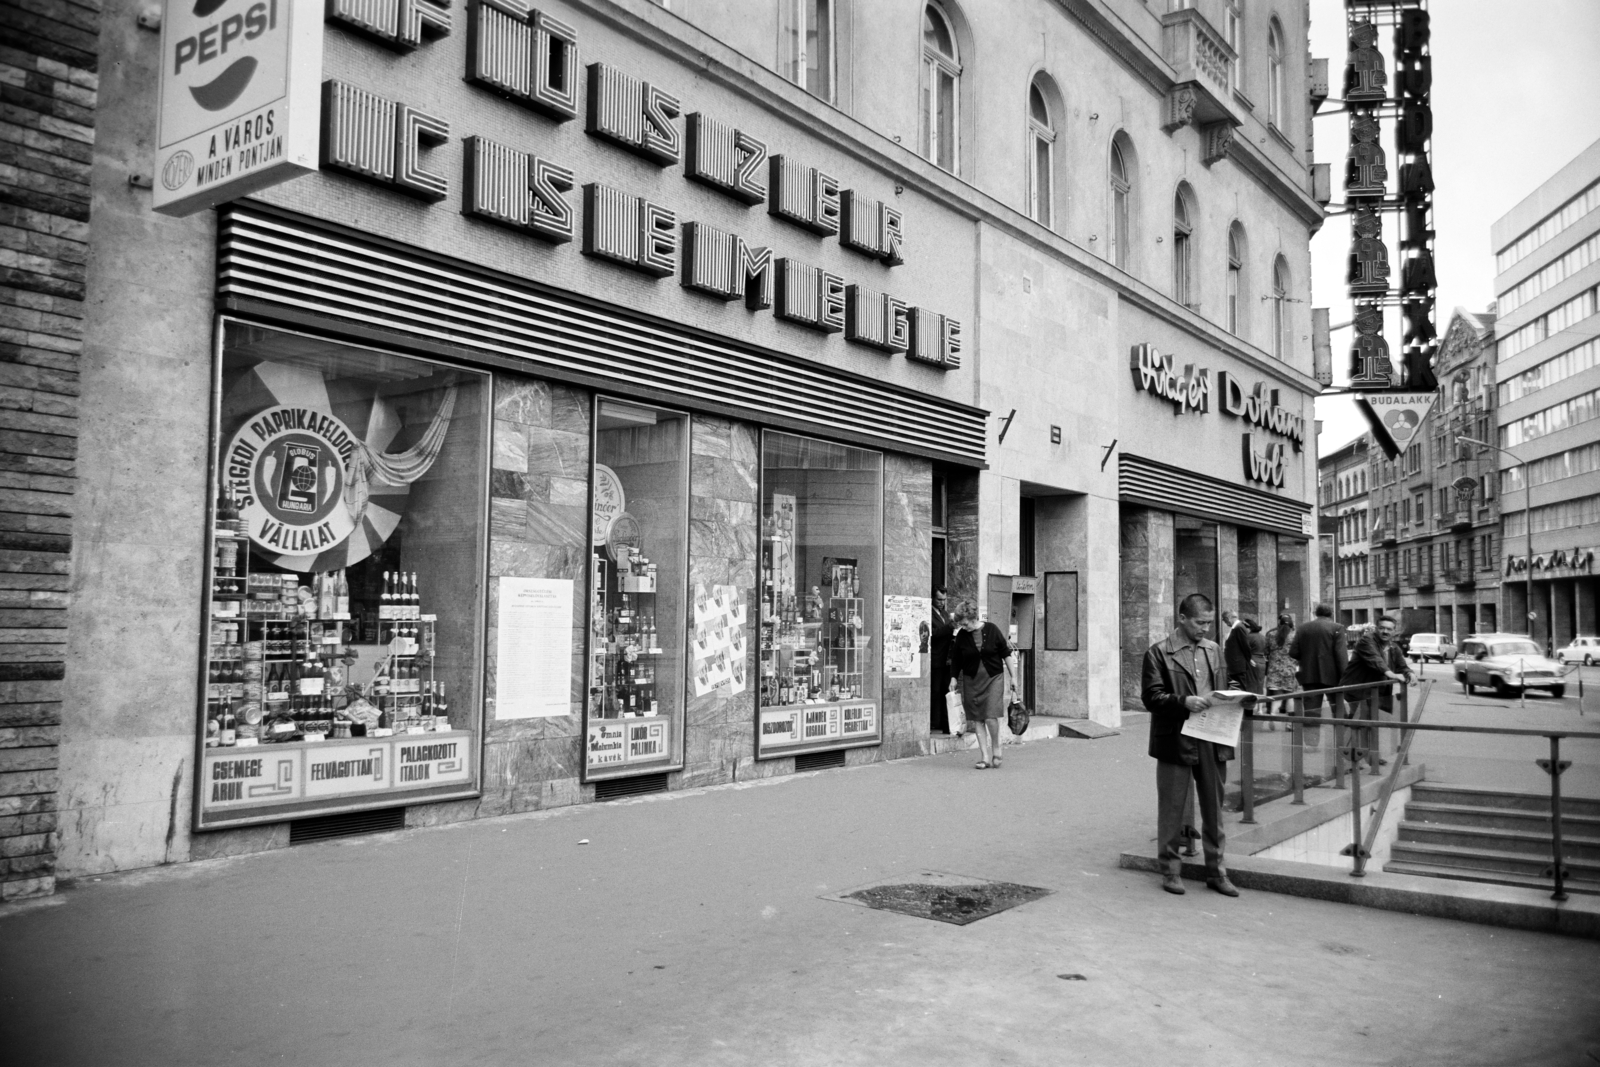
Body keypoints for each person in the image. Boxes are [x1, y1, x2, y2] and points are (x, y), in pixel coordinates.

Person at [1141, 592, 1239, 897]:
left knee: (1214, 807)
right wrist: (1184, 702)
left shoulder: (1214, 650)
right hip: (1176, 737)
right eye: (1200, 622)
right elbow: (1151, 697)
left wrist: (1238, 696)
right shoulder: (1158, 653)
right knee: (1171, 807)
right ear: (1181, 619)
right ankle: (1170, 870)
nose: (1205, 628)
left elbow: (1226, 684)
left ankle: (1216, 872)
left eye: (1209, 623)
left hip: (1212, 735)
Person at [1340, 615, 1412, 771]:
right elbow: (1374, 659)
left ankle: (1370, 756)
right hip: (1357, 689)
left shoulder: (1393, 647)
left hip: (1375, 692)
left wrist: (1410, 673)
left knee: (1372, 724)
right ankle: (1347, 762)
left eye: (1389, 629)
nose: (1385, 632)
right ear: (1376, 629)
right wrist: (1391, 674)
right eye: (1382, 628)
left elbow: (1402, 666)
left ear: (1394, 631)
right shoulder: (1367, 641)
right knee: (1357, 725)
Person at [947, 601, 1013, 769]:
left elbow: (1006, 653)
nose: (963, 626)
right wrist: (954, 678)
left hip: (993, 678)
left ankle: (996, 746)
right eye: (961, 623)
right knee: (977, 718)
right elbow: (956, 659)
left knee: (990, 716)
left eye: (965, 623)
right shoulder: (962, 635)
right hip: (972, 680)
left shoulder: (992, 629)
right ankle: (984, 756)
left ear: (973, 618)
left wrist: (1014, 678)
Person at [1287, 603, 1348, 748]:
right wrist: (1345, 676)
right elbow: (1341, 655)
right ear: (1331, 613)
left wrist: (1308, 657)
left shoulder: (1303, 628)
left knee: (1312, 711)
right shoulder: (1337, 628)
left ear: (1315, 613)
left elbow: (1293, 652)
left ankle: (1311, 744)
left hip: (1309, 674)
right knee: (1338, 709)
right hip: (1333, 676)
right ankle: (1344, 742)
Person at [1264, 612, 1299, 727]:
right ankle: (1289, 723)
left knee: (1277, 696)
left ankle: (1273, 715)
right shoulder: (1294, 635)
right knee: (1289, 696)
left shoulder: (1270, 634)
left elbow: (1265, 652)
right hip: (1289, 670)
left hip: (1274, 670)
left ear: (1279, 623)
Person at [929, 587, 955, 734]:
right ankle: (935, 721)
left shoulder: (945, 613)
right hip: (935, 659)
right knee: (936, 691)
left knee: (946, 691)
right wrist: (948, 628)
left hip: (947, 659)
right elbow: (931, 633)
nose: (941, 603)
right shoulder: (928, 613)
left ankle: (945, 723)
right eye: (939, 599)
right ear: (933, 598)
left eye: (944, 600)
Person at [1222, 610, 1251, 690]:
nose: (1225, 623)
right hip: (1235, 666)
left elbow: (1245, 646)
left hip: (1238, 666)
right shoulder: (1236, 628)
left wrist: (1248, 660)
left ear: (1228, 618)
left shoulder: (1239, 627)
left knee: (1240, 688)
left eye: (1224, 620)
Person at [1244, 618, 1267, 696]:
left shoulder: (1248, 637)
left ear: (1248, 628)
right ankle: (1260, 707)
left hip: (1252, 661)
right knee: (1260, 685)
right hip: (1262, 662)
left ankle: (1252, 706)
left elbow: (1244, 650)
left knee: (1251, 686)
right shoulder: (1263, 637)